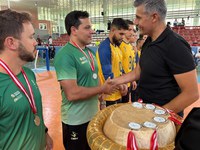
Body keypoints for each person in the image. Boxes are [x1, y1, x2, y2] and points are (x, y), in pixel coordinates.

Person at [111, 0, 199, 117]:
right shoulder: (149, 41)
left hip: (162, 121)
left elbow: (191, 93)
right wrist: (114, 82)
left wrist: (157, 115)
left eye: (139, 17)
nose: (135, 22)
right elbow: (138, 72)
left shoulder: (175, 45)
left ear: (154, 17)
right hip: (145, 112)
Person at [54, 10, 115, 150]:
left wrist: (103, 102)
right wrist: (102, 89)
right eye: (87, 28)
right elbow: (72, 94)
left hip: (93, 118)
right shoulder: (65, 55)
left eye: (91, 27)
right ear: (74, 30)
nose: (92, 31)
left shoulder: (90, 53)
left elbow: (94, 81)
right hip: (75, 121)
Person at [0, 9, 53, 150]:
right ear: (11, 42)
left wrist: (45, 132)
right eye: (31, 37)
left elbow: (34, 112)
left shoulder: (28, 74)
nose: (35, 42)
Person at [96, 18, 129, 107]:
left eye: (124, 34)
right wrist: (121, 85)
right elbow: (107, 74)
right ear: (113, 30)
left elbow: (120, 69)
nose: (123, 37)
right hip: (108, 96)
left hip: (117, 93)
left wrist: (124, 83)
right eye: (121, 34)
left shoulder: (117, 47)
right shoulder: (105, 47)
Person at [119, 19, 137, 103]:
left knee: (126, 104)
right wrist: (123, 80)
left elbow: (132, 63)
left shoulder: (130, 46)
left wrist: (133, 79)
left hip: (129, 81)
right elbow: (119, 65)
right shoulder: (119, 45)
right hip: (122, 82)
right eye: (129, 30)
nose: (132, 33)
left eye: (133, 30)